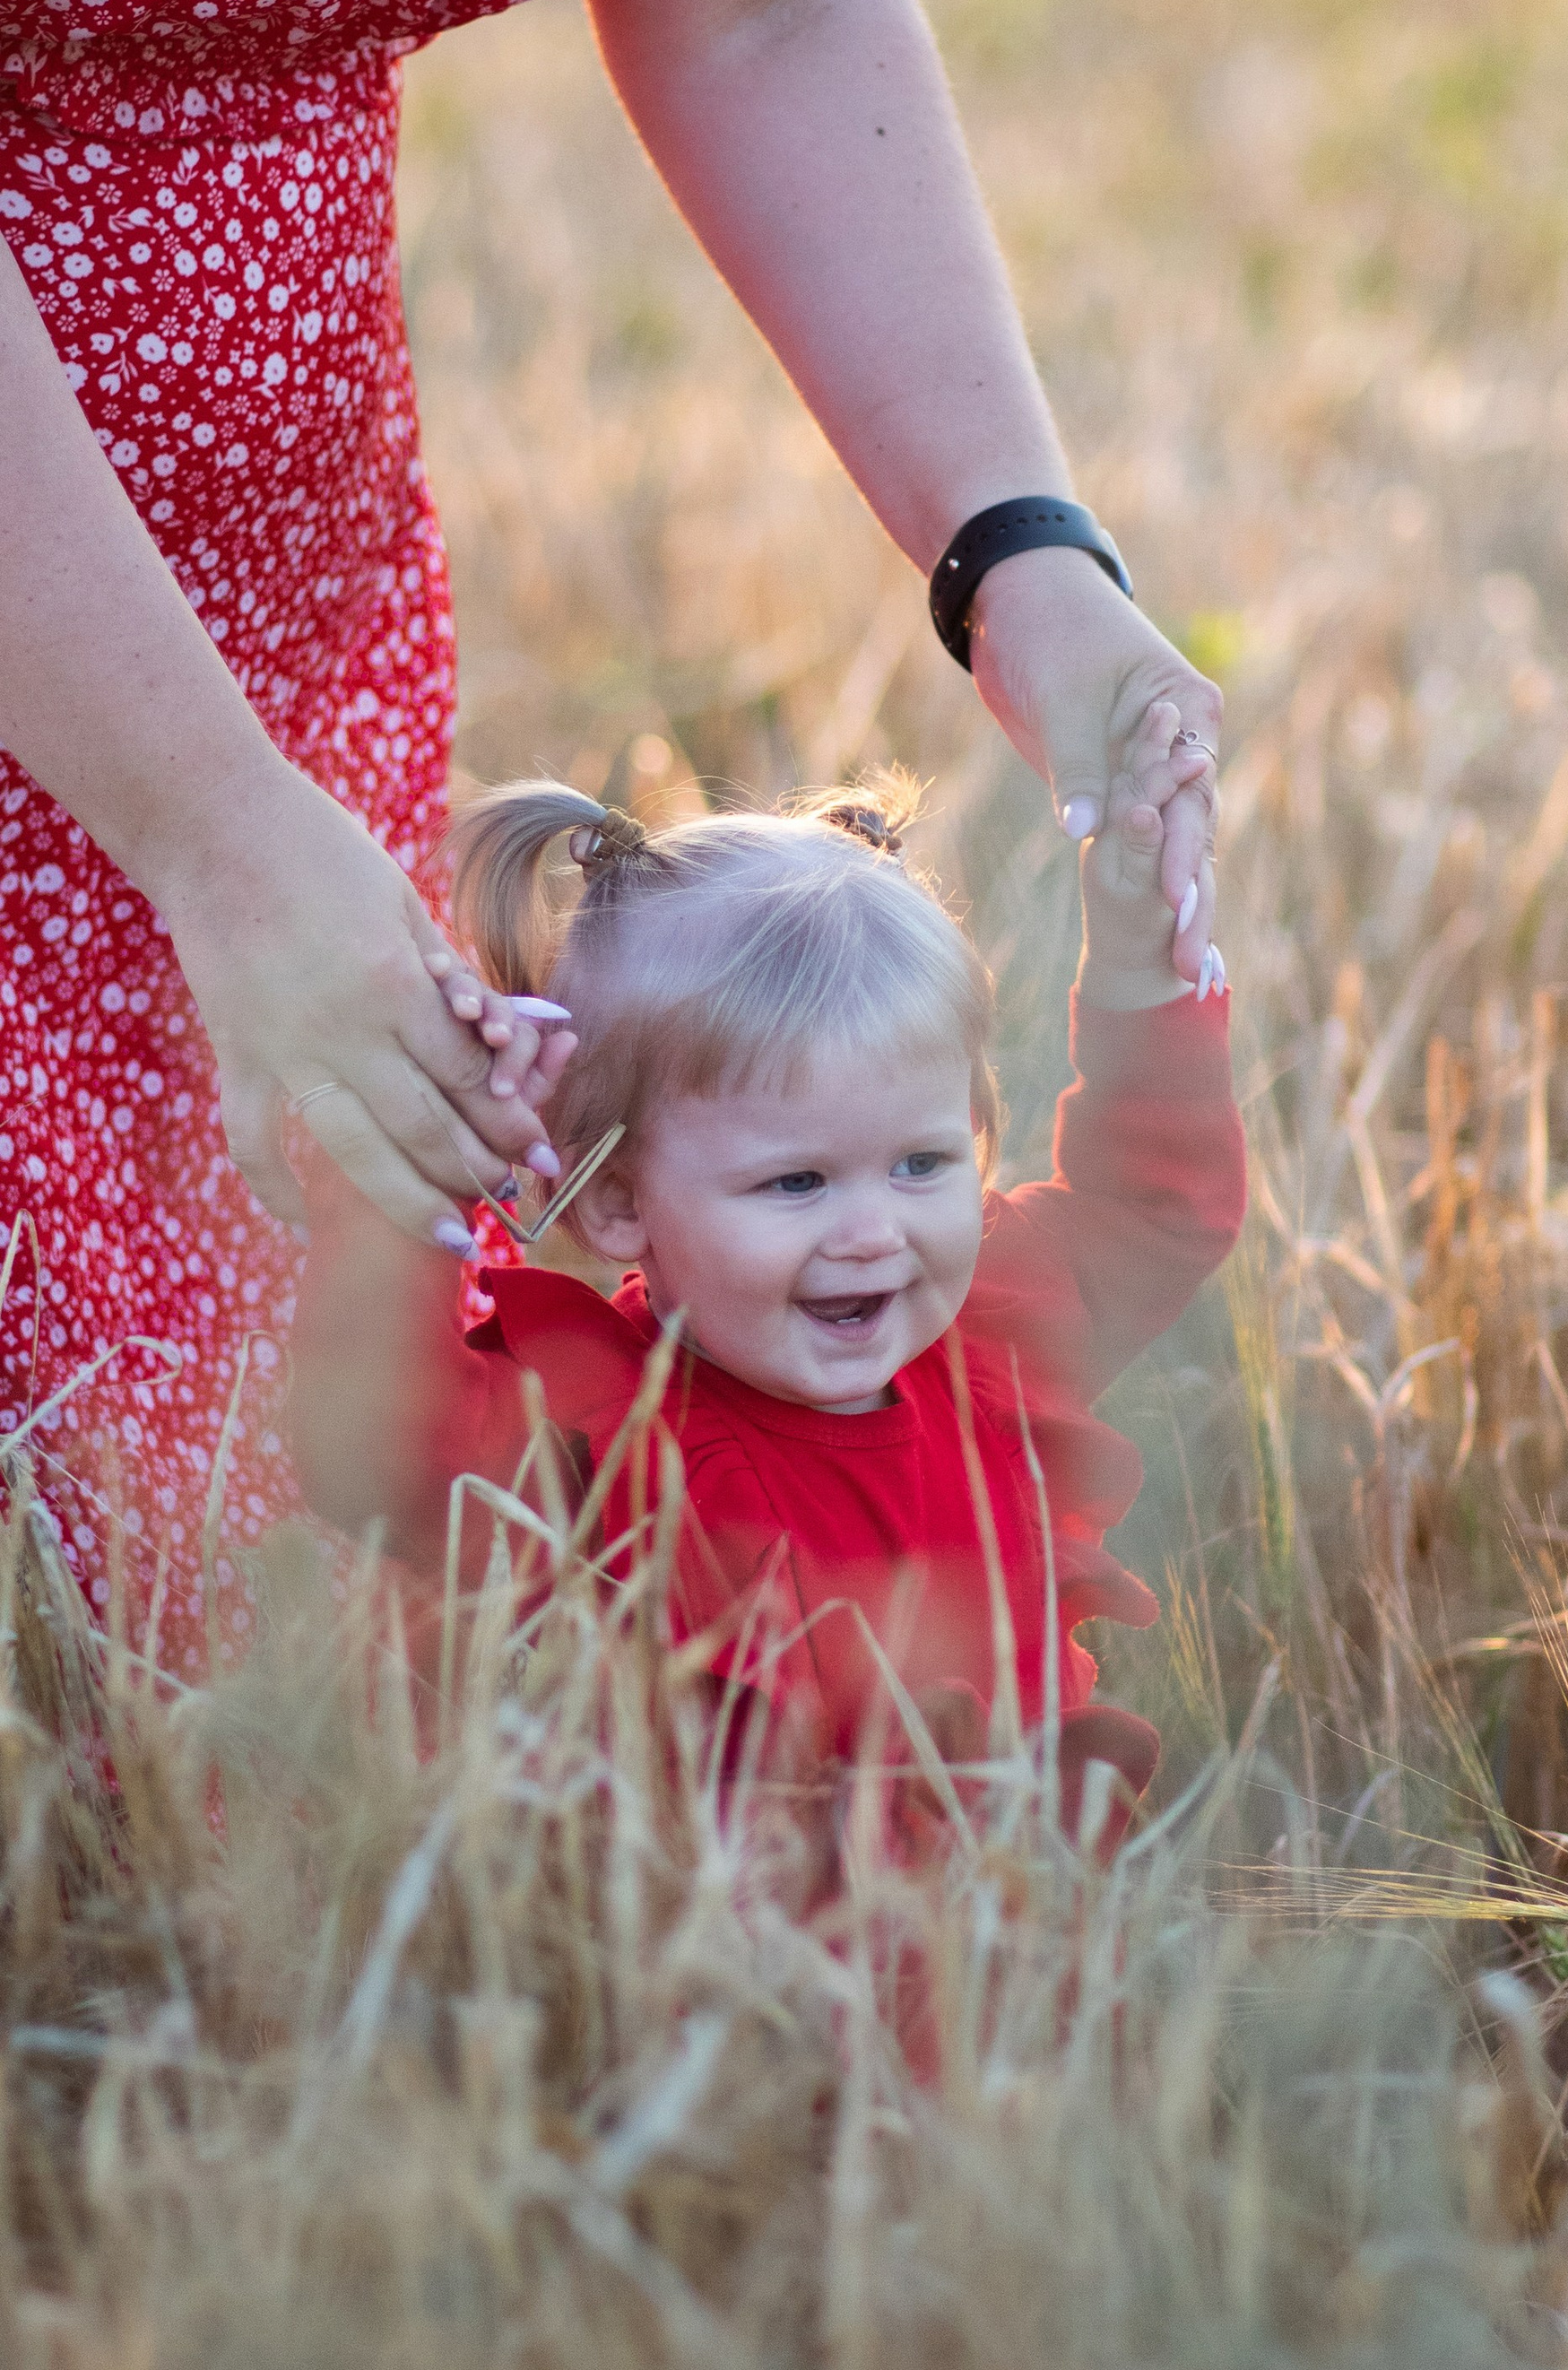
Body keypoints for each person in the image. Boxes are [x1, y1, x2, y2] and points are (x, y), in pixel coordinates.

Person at [0, 0, 1221, 1651]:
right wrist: (210, 819)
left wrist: (1028, 562)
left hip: (288, 626)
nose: (867, 1233)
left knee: (236, 1636)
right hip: (155, 713)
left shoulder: (895, 1348)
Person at [285, 728, 1243, 1837]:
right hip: (719, 1993)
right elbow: (378, 1461)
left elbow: (1158, 1209)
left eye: (923, 1163)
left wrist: (1139, 951)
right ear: (616, 1200)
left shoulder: (992, 1331)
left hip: (1016, 1978)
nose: (873, 1233)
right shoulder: (606, 1435)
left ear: (978, 1133)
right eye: (796, 1183)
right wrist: (405, 1163)